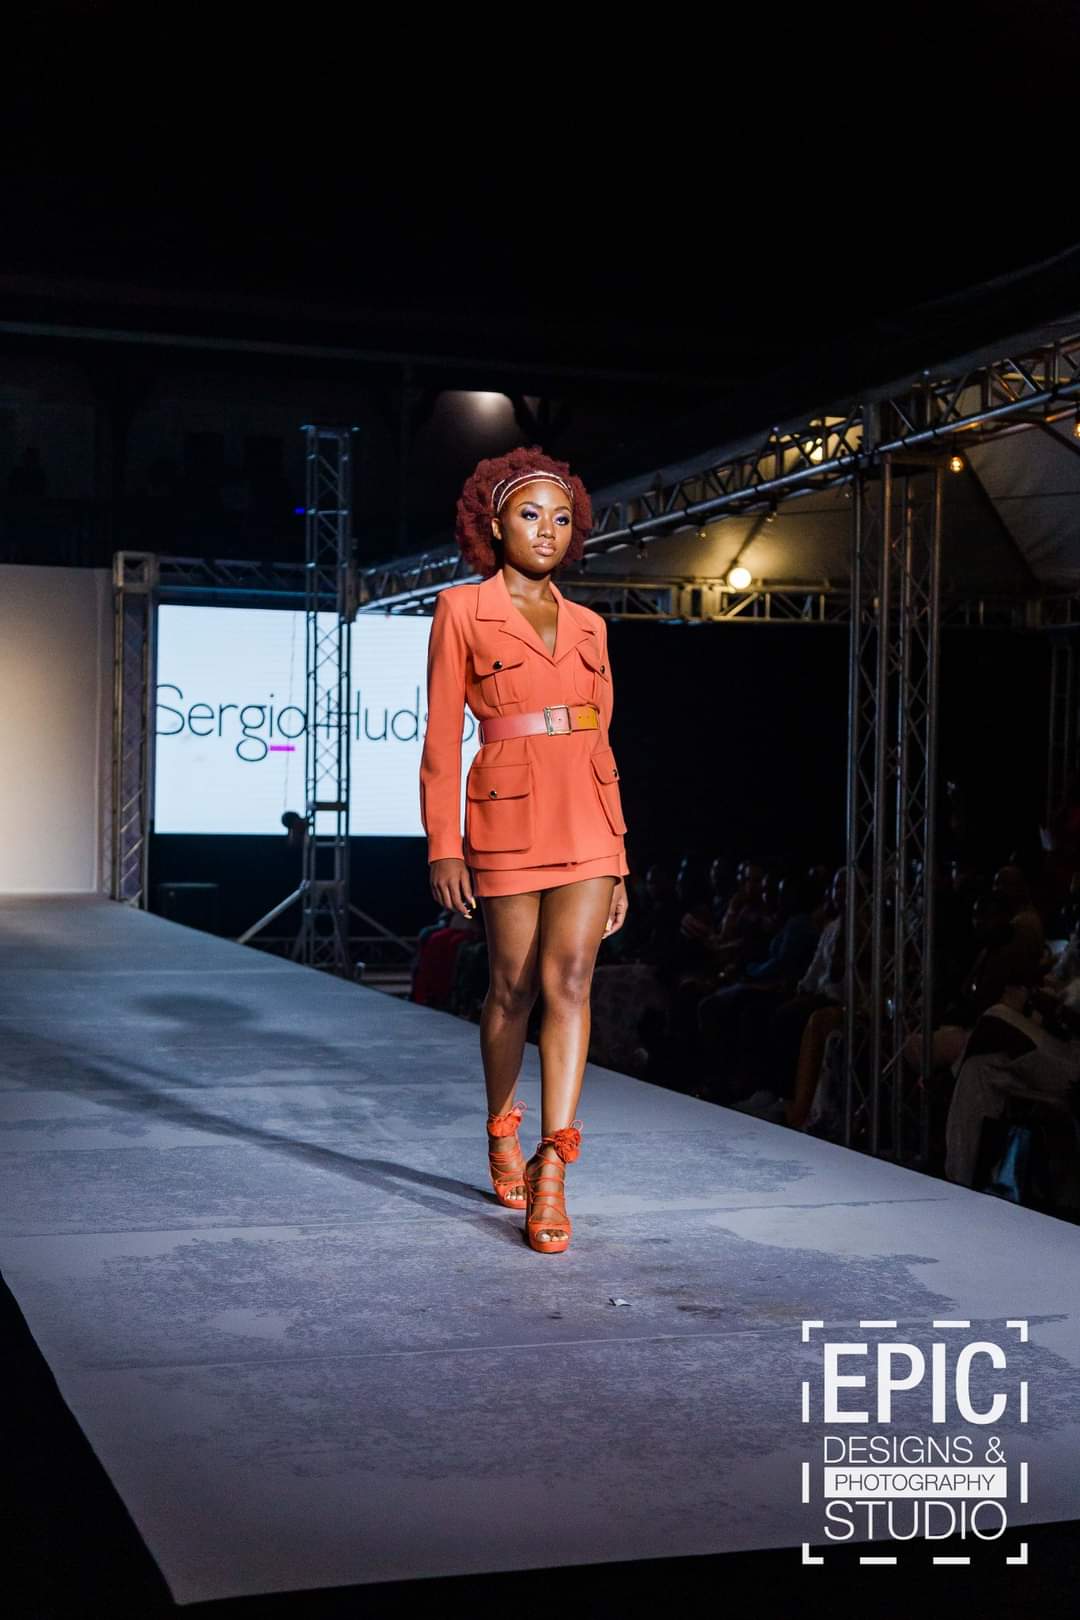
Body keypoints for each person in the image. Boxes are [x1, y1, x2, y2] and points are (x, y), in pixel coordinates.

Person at [419, 446, 630, 1254]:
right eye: (531, 515)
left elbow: (603, 742)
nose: (547, 530)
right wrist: (444, 845)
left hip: (588, 819)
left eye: (562, 518)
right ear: (496, 524)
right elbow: (442, 736)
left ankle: (553, 1167)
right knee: (510, 985)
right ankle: (502, 1126)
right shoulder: (461, 610)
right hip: (506, 817)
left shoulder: (590, 626)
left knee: (568, 981)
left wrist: (620, 857)